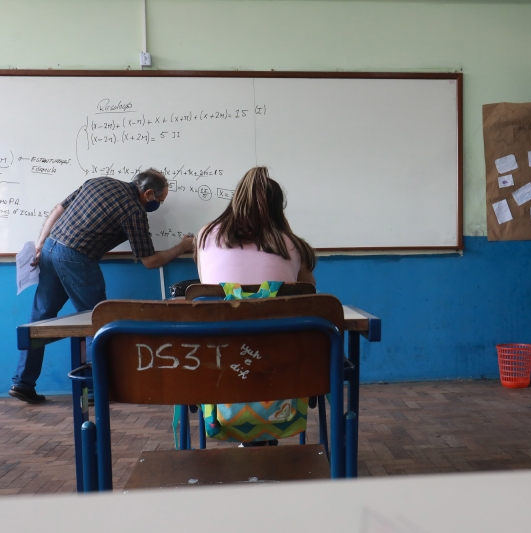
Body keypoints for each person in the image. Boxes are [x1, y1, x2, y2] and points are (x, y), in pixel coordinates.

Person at [10, 169, 194, 404]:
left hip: (50, 249)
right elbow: (150, 261)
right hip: (77, 257)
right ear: (148, 193)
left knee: (40, 319)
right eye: (159, 200)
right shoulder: (133, 211)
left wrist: (40, 244)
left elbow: (58, 209)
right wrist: (182, 246)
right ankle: (95, 391)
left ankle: (22, 383)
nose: (158, 204)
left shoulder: (99, 181)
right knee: (96, 320)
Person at [195, 166, 316, 447]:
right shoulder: (294, 245)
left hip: (217, 361)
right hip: (278, 362)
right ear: (277, 209)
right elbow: (309, 294)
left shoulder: (204, 236)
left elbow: (209, 287)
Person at [196, 166, 316, 286]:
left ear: (236, 201)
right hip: (275, 305)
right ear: (278, 210)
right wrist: (288, 234)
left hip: (218, 305)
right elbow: (308, 289)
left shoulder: (206, 234)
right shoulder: (294, 245)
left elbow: (204, 281)